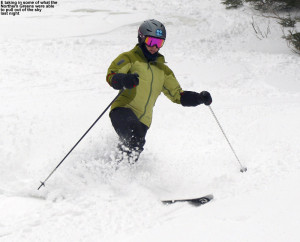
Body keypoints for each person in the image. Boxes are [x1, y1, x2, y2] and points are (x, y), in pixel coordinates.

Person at [106, 19, 212, 164]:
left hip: (144, 121)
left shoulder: (163, 70)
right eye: (151, 41)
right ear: (141, 38)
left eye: (159, 43)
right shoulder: (129, 58)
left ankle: (115, 173)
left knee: (134, 147)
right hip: (123, 110)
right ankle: (113, 173)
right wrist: (124, 79)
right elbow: (111, 76)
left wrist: (199, 98)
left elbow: (178, 96)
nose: (154, 47)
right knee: (133, 136)